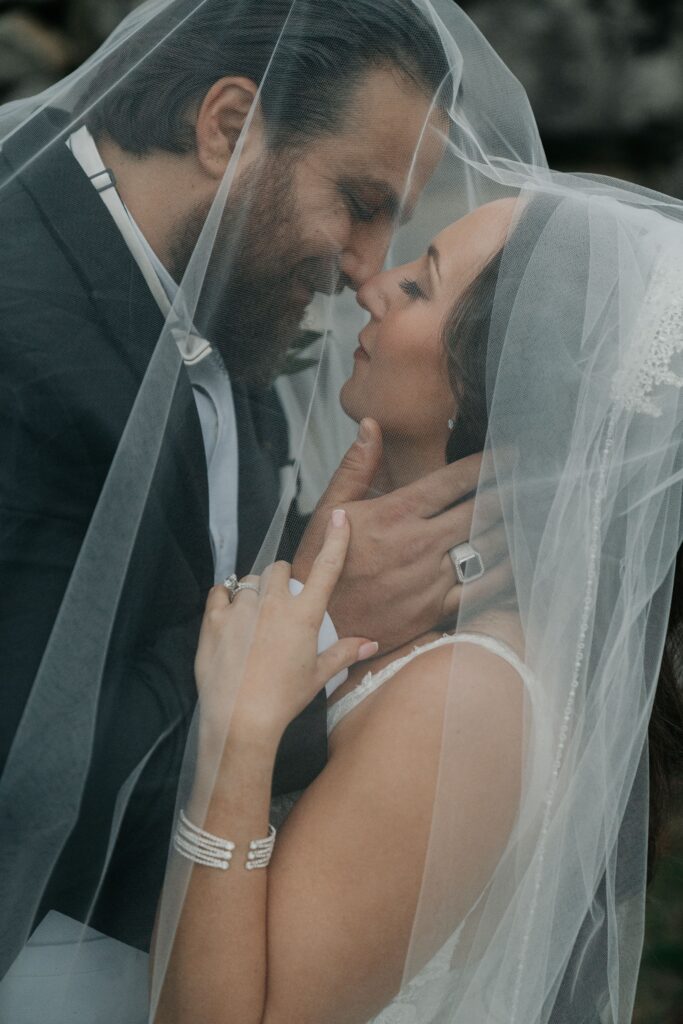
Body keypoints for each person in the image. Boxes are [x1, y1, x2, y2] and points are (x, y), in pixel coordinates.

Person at [0, 0, 493, 967]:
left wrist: (342, 545)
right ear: (227, 128)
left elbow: (180, 575)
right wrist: (306, 628)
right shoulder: (20, 343)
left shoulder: (216, 289)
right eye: (359, 202)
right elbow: (33, 783)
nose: (365, 271)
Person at [151, 192, 683, 1024]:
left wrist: (241, 735)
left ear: (488, 380)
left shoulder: (467, 696)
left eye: (419, 287)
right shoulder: (432, 638)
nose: (372, 285)